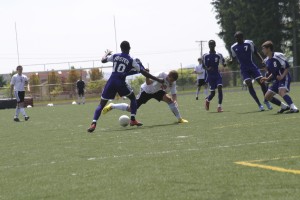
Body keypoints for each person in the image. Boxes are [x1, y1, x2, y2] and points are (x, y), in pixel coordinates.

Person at [87, 41, 164, 133]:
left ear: (121, 48)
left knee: (101, 104)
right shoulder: (131, 60)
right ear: (129, 48)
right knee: (132, 98)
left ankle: (93, 123)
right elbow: (144, 72)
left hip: (111, 81)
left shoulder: (115, 56)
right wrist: (158, 80)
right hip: (120, 83)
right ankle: (132, 119)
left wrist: (106, 53)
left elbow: (103, 60)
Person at [102, 70, 188, 123]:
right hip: (146, 91)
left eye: (173, 81)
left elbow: (174, 94)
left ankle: (180, 119)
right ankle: (112, 106)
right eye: (171, 80)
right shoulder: (161, 74)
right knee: (131, 109)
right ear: (168, 76)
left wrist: (175, 100)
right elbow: (148, 82)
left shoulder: (173, 82)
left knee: (170, 100)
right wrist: (147, 76)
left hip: (158, 91)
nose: (171, 82)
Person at [230, 31, 273, 111]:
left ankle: (266, 101)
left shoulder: (249, 43)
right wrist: (230, 61)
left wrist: (262, 61)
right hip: (243, 69)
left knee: (262, 82)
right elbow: (233, 58)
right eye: (235, 38)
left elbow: (256, 53)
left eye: (238, 37)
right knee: (249, 83)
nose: (237, 39)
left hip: (252, 66)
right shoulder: (233, 47)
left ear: (242, 37)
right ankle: (259, 105)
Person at [260, 40, 299, 113]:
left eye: (263, 48)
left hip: (284, 77)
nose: (262, 50)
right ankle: (284, 107)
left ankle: (294, 108)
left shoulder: (278, 55)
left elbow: (287, 67)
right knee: (267, 96)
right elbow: (273, 72)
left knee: (281, 91)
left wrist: (282, 76)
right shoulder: (267, 60)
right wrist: (267, 78)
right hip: (277, 80)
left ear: (268, 48)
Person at [202, 40, 226, 112]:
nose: (211, 46)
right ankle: (207, 100)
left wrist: (225, 64)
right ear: (208, 45)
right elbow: (203, 66)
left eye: (212, 44)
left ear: (215, 45)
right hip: (210, 76)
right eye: (210, 44)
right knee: (212, 94)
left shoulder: (219, 55)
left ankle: (219, 107)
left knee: (219, 87)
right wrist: (207, 68)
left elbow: (223, 62)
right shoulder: (205, 56)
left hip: (217, 75)